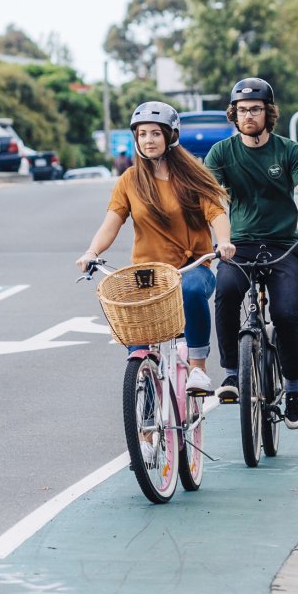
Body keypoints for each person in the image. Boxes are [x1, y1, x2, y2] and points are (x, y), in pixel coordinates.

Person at [77, 101, 234, 397]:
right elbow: (111, 223)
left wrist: (224, 242)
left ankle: (198, 367)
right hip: (147, 274)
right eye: (142, 134)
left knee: (189, 289)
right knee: (137, 343)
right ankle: (146, 432)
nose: (148, 140)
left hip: (191, 267)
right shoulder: (130, 180)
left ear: (170, 136)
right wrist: (91, 252)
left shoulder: (191, 176)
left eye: (155, 134)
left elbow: (216, 213)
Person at [204, 77, 298, 429]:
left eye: (255, 109)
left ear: (268, 113)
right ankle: (230, 373)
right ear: (234, 115)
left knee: (286, 314)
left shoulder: (288, 151)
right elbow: (213, 201)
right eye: (242, 111)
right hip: (238, 245)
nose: (248, 116)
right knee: (225, 293)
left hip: (282, 245)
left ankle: (293, 389)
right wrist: (220, 238)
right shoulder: (222, 153)